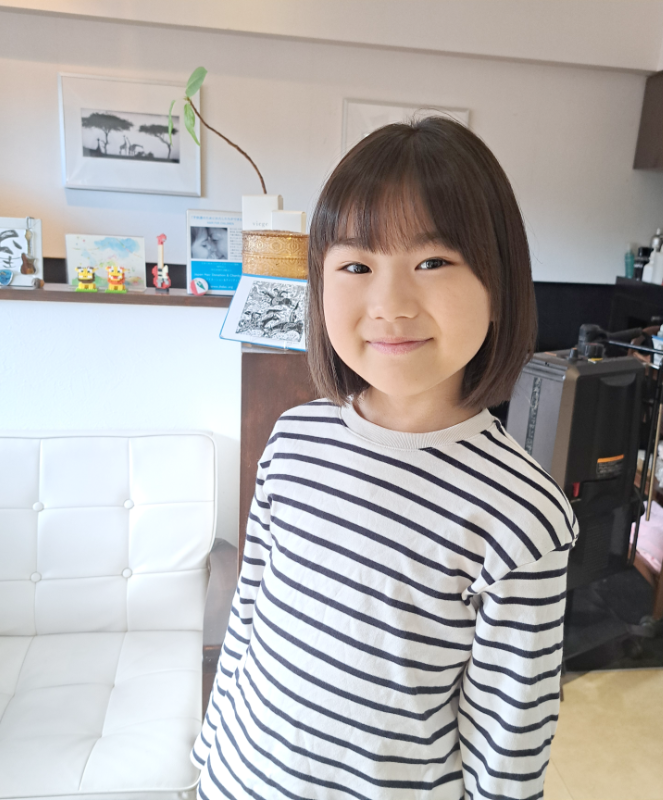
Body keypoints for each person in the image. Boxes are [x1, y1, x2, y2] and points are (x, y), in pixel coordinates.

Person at [192, 116, 579, 800]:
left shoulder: (521, 512)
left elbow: (509, 739)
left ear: (499, 284)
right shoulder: (293, 440)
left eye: (432, 262)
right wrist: (210, 755)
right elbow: (248, 615)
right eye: (356, 266)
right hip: (239, 779)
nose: (391, 304)